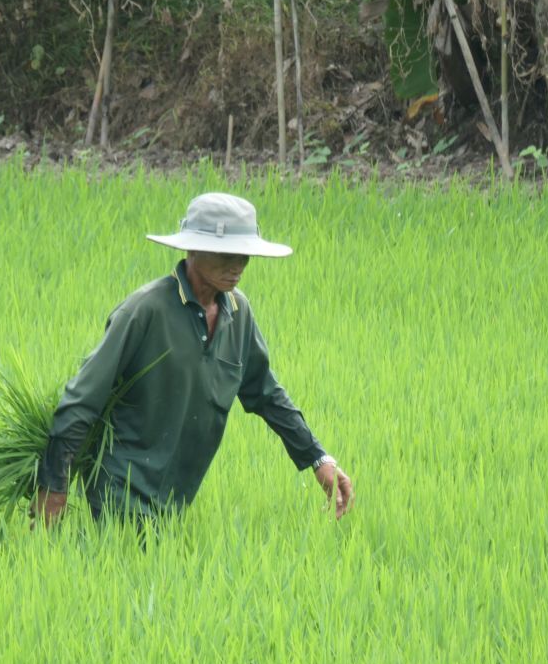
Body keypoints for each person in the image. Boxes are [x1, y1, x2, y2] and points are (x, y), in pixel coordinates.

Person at [31, 192, 353, 529]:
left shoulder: (238, 314)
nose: (238, 266)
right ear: (192, 249)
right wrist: (53, 485)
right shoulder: (145, 311)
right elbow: (83, 399)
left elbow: (266, 395)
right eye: (225, 254)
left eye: (245, 254)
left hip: (176, 496)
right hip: (120, 489)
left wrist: (317, 457)